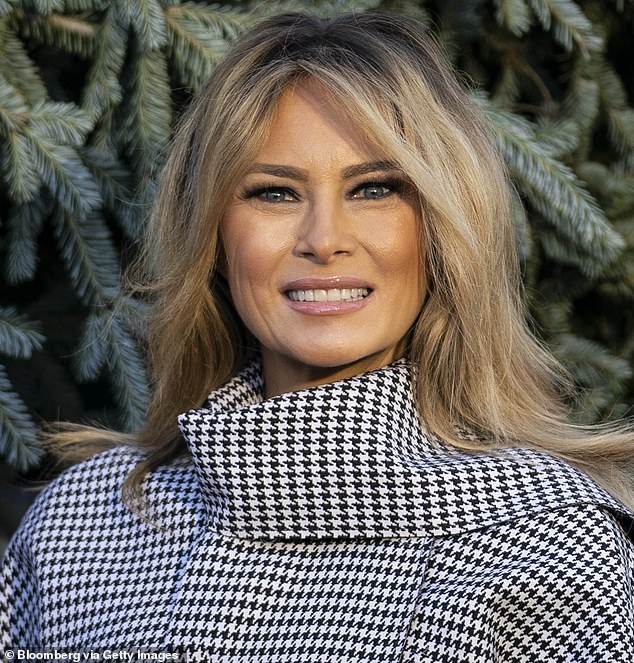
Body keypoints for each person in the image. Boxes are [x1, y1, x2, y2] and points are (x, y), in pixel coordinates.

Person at [2, 11, 634, 660]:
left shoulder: (545, 537)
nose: (324, 239)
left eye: (374, 188)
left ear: (441, 226)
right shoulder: (79, 526)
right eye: (275, 193)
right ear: (215, 235)